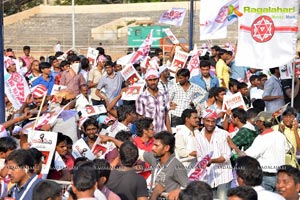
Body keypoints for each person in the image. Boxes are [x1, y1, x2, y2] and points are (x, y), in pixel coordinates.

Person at [228, 111, 289, 191]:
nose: (256, 123)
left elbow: (246, 156)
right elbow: (287, 149)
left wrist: (233, 146)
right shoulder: (280, 135)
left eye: (257, 121)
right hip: (279, 176)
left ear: (261, 122)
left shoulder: (261, 138)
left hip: (266, 177)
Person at [196, 109, 233, 200]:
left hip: (223, 177)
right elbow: (199, 157)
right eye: (208, 121)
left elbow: (227, 156)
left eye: (213, 121)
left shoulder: (223, 134)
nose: (210, 124)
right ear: (203, 120)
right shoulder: (198, 137)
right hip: (207, 178)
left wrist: (211, 161)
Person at [136, 68, 171, 133]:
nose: (152, 82)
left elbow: (166, 114)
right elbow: (140, 118)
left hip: (162, 132)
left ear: (158, 79)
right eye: (150, 80)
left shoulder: (164, 94)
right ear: (146, 81)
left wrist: (170, 132)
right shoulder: (141, 97)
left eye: (155, 79)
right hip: (149, 134)